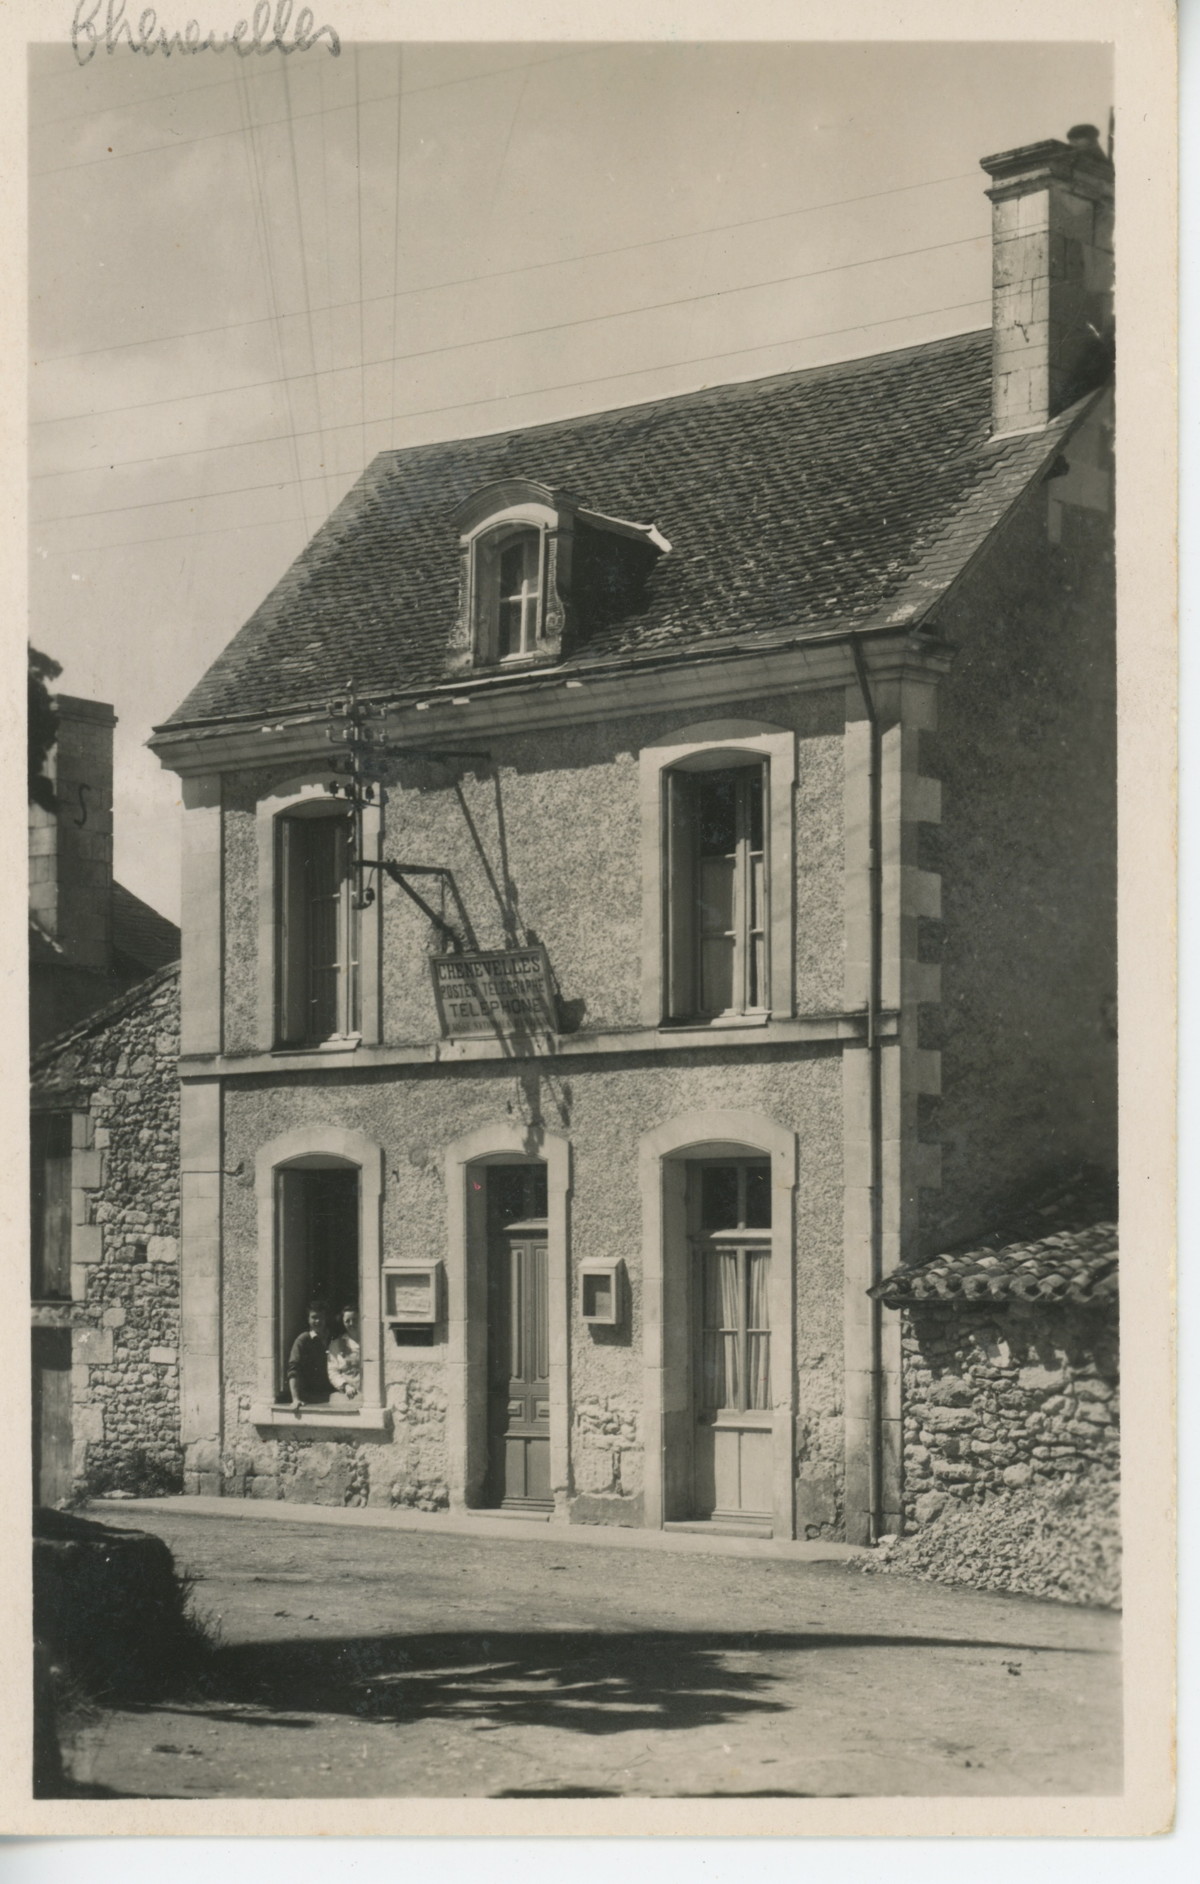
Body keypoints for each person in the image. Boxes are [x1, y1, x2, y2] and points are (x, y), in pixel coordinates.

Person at [287, 1301, 332, 1407]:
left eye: (321, 1317)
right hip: (311, 1397)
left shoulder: (332, 1337)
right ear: (308, 1319)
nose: (318, 1321)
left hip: (332, 1396)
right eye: (314, 1317)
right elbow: (293, 1369)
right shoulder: (303, 1340)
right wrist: (295, 1399)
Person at [326, 1304, 362, 1401]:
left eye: (355, 1319)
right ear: (343, 1322)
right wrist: (345, 1386)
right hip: (347, 1395)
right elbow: (332, 1372)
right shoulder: (336, 1345)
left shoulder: (369, 1342)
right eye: (347, 1321)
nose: (351, 1323)